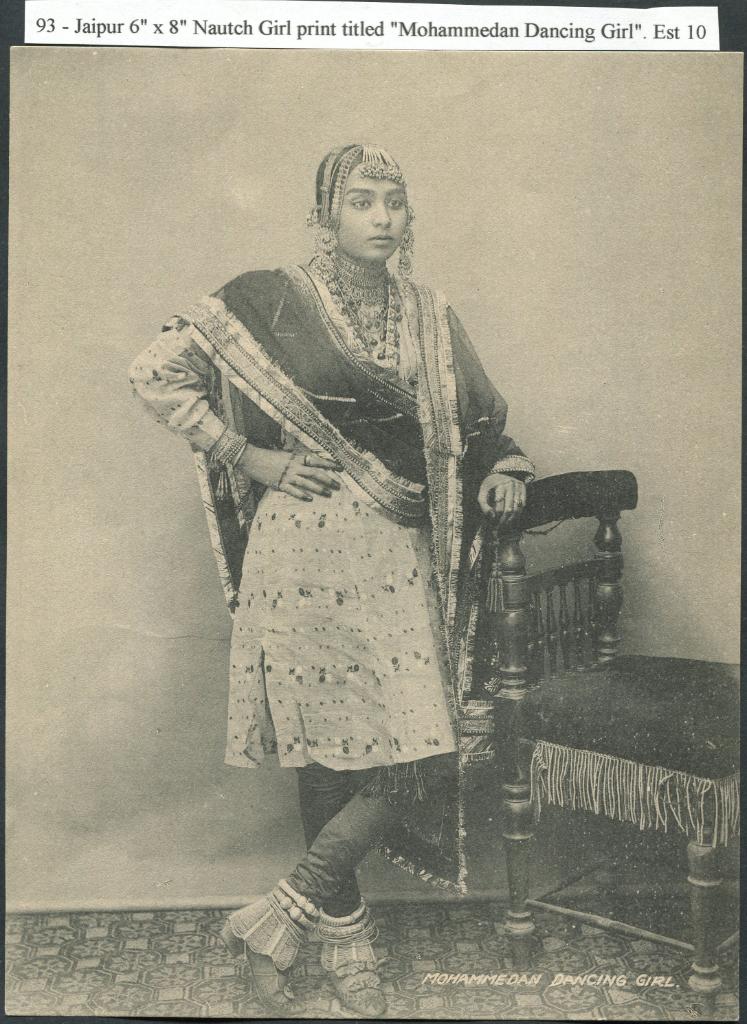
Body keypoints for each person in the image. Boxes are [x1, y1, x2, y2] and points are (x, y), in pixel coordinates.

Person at [129, 143, 534, 1017]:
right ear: (327, 214)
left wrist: (508, 468)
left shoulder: (429, 313)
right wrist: (251, 457)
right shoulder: (268, 300)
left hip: (398, 553)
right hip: (304, 554)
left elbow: (483, 419)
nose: (382, 217)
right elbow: (153, 371)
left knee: (428, 747)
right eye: (362, 201)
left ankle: (282, 908)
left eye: (394, 201)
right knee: (324, 753)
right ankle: (344, 938)